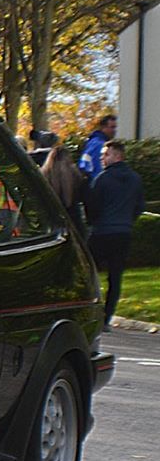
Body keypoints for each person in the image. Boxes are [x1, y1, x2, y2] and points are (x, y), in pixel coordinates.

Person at [84, 140, 145, 330]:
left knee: (89, 273)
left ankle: (87, 311)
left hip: (102, 232)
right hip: (123, 232)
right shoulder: (135, 179)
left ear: (117, 156)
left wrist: (93, 222)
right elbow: (139, 206)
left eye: (106, 154)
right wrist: (127, 221)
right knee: (115, 276)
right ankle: (106, 317)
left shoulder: (103, 179)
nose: (102, 158)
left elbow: (93, 206)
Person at [40, 141, 87, 234]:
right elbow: (85, 197)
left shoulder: (44, 176)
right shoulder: (75, 174)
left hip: (52, 220)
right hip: (74, 220)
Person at [77, 114, 117, 180]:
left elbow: (84, 165)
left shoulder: (92, 142)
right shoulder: (100, 145)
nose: (114, 130)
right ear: (103, 127)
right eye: (112, 127)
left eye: (115, 127)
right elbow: (98, 168)